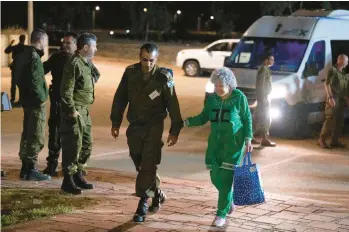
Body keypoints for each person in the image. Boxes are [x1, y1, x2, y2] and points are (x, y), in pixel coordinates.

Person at [110, 43, 183, 222]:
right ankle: (157, 193)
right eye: (144, 60)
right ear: (139, 57)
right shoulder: (130, 73)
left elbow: (173, 104)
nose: (148, 64)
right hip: (135, 124)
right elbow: (120, 97)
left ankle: (142, 205)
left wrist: (174, 130)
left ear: (156, 59)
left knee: (148, 163)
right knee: (138, 160)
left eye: (151, 60)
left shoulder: (163, 77)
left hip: (154, 125)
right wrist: (116, 121)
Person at [183, 67, 253, 227]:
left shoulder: (239, 97)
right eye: (216, 85)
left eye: (221, 85)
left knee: (226, 180)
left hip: (234, 144)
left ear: (230, 85)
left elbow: (247, 118)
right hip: (215, 143)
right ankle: (228, 200)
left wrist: (248, 138)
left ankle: (221, 214)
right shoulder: (212, 99)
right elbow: (203, 117)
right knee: (215, 177)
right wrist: (185, 122)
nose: (218, 89)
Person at [42, 32, 100, 176]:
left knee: (77, 139)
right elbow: (42, 70)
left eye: (69, 43)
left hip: (74, 104)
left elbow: (96, 74)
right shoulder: (58, 58)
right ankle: (52, 165)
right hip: (58, 102)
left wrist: (87, 84)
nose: (65, 45)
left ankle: (75, 169)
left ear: (76, 45)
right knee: (55, 135)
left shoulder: (84, 61)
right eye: (64, 43)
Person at [60, 33, 98, 195]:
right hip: (75, 110)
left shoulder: (86, 62)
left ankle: (78, 174)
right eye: (94, 46)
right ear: (86, 47)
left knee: (87, 144)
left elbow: (96, 75)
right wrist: (72, 110)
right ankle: (68, 180)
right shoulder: (74, 63)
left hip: (85, 110)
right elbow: (66, 90)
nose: (96, 49)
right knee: (73, 145)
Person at [15, 29, 51, 181]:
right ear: (41, 41)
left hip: (27, 100)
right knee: (36, 134)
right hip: (36, 103)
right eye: (45, 42)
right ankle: (31, 169)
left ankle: (25, 168)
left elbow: (17, 77)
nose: (45, 45)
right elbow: (36, 81)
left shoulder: (23, 55)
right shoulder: (34, 57)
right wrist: (42, 98)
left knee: (27, 133)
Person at [318, 54, 349, 149]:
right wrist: (330, 97)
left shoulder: (342, 73)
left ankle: (334, 141)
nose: (347, 63)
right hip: (333, 99)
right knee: (330, 119)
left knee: (339, 121)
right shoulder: (333, 70)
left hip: (341, 100)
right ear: (341, 61)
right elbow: (327, 84)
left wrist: (347, 101)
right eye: (346, 61)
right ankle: (322, 140)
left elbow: (344, 89)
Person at [252, 54, 276, 147]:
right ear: (266, 60)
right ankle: (265, 139)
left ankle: (249, 137)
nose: (273, 62)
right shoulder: (263, 69)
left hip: (264, 97)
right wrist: (262, 98)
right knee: (266, 118)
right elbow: (261, 84)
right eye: (272, 59)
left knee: (258, 117)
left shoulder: (264, 69)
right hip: (264, 97)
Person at [4, 34, 26, 107]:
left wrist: (10, 44)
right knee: (21, 85)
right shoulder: (26, 48)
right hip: (23, 68)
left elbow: (6, 51)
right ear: (24, 39)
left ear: (19, 39)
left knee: (13, 84)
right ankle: (21, 101)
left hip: (15, 67)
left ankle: (12, 100)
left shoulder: (15, 47)